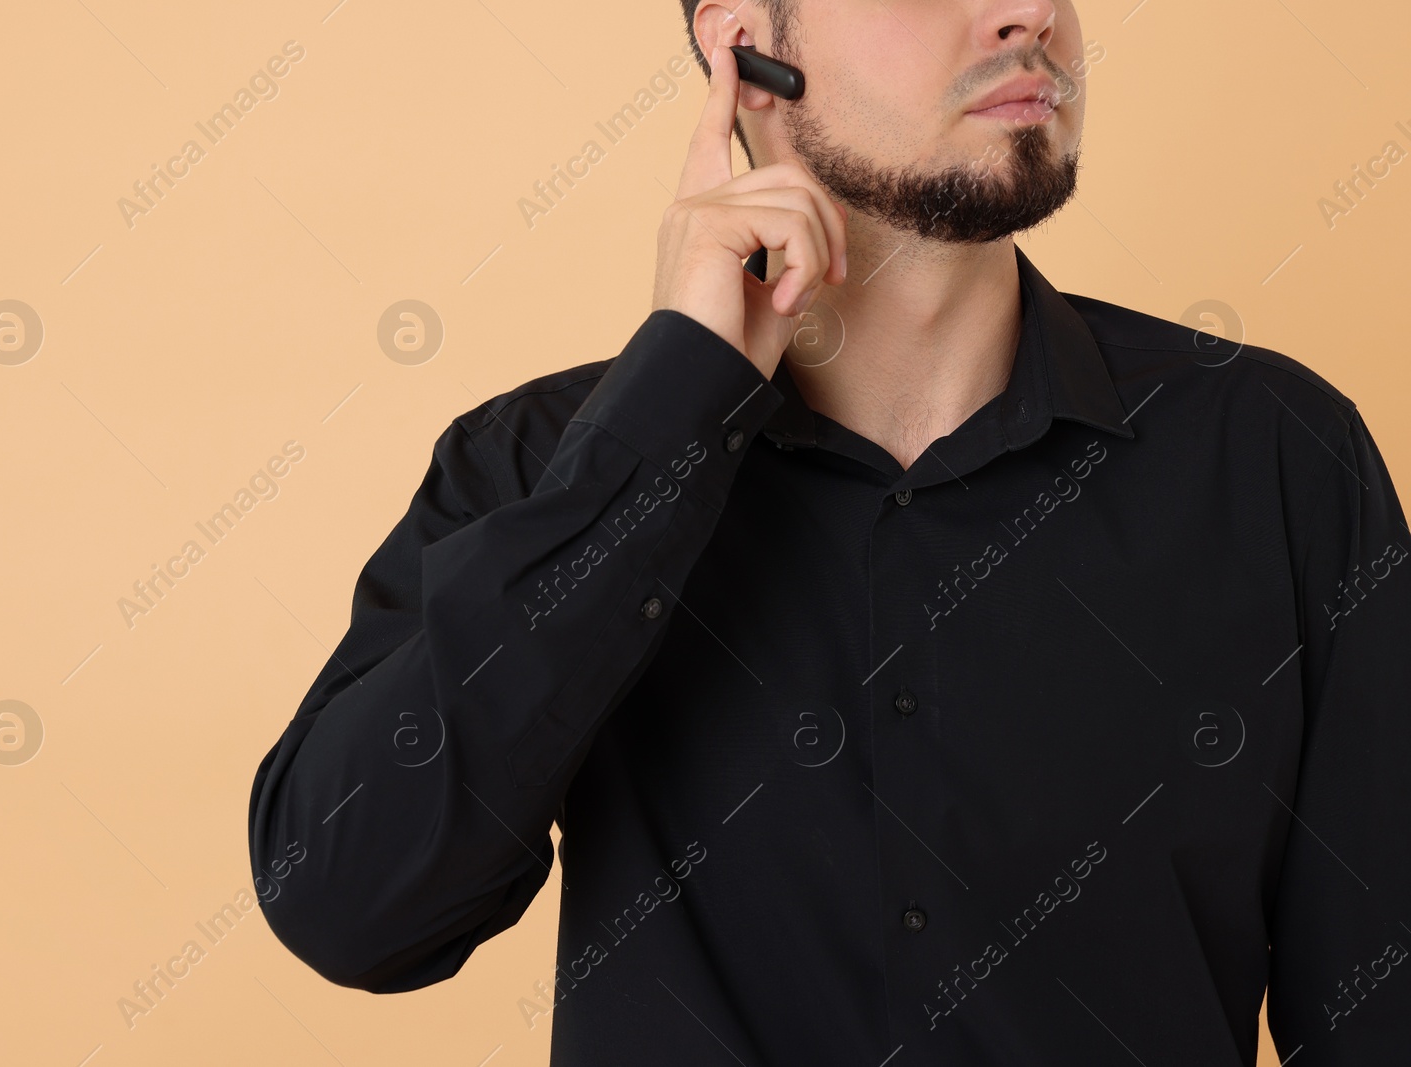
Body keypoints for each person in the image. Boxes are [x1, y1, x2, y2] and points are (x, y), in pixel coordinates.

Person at [248, 1, 1411, 1063]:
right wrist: (665, 420)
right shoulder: (534, 463)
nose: (1029, 14)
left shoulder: (1274, 456)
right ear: (749, 50)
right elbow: (352, 906)